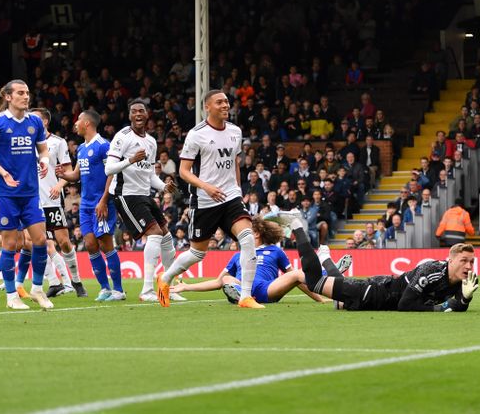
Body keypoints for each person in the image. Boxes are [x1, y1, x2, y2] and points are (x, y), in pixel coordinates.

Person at [156, 89, 262, 309]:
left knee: (248, 238)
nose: (225, 105)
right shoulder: (197, 134)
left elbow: (234, 163)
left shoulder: (235, 131)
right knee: (197, 253)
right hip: (205, 200)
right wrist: (207, 187)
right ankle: (165, 279)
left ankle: (245, 297)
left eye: (226, 102)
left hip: (231, 196)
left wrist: (238, 190)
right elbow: (184, 171)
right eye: (219, 102)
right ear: (207, 107)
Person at [286, 210, 478, 312]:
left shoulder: (466, 280)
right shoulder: (431, 270)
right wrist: (442, 307)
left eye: (472, 261)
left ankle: (325, 258)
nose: (469, 266)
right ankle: (296, 225)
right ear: (451, 261)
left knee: (339, 300)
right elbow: (405, 305)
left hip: (375, 301)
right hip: (374, 292)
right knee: (315, 283)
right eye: (464, 261)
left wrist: (465, 299)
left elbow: (458, 307)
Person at [0, 80, 54, 310]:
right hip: (7, 193)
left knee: (41, 240)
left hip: (31, 192)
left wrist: (43, 162)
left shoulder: (34, 121)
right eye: (21, 93)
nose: (26, 97)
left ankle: (38, 289)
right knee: (11, 244)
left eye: (27, 93)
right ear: (9, 97)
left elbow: (43, 149)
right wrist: (3, 173)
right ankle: (12, 296)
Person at [169, 217, 352, 305]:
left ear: (256, 233)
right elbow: (217, 282)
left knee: (297, 274)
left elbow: (300, 281)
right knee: (226, 280)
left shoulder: (275, 251)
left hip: (266, 290)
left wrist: (320, 299)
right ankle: (240, 294)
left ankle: (328, 277)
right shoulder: (237, 255)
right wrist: (187, 287)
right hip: (243, 287)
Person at [105, 99, 183, 302]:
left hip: (143, 194)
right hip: (126, 194)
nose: (138, 114)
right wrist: (130, 160)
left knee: (166, 237)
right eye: (134, 111)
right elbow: (108, 169)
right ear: (130, 116)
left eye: (141, 111)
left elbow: (149, 176)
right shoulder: (122, 137)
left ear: (147, 115)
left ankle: (168, 287)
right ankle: (147, 291)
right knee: (155, 233)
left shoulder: (151, 141)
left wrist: (165, 187)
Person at [57, 109, 125, 301]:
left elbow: (112, 174)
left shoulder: (104, 146)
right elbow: (76, 174)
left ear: (87, 123)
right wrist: (62, 174)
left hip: (102, 202)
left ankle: (118, 290)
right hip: (86, 204)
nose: (75, 124)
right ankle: (105, 288)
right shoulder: (81, 148)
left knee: (105, 243)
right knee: (90, 244)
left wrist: (104, 200)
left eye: (78, 120)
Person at [32, 107, 85, 298]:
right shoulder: (27, 144)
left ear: (45, 121)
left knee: (63, 242)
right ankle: (54, 282)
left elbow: (69, 172)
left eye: (35, 118)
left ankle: (77, 281)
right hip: (32, 202)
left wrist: (59, 186)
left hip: (52, 200)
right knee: (40, 243)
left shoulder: (57, 142)